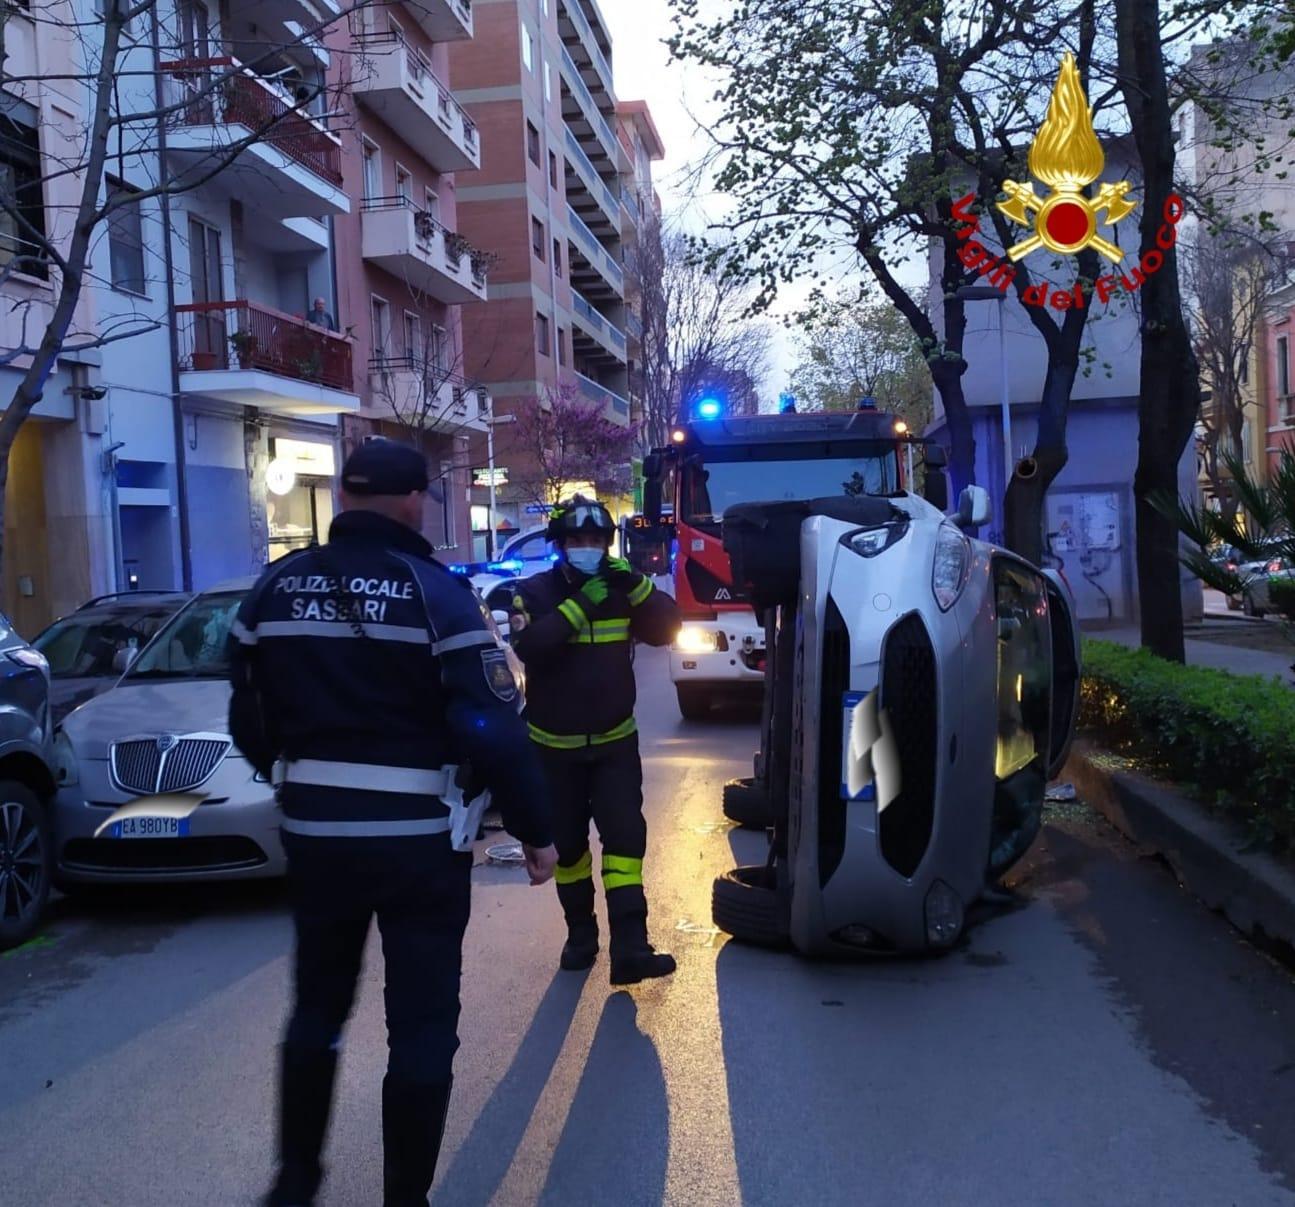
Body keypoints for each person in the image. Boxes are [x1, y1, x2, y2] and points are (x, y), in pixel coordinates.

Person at [227, 438, 557, 1207]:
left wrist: (296, 776)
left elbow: (247, 710)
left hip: (315, 836)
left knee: (316, 1007)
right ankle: (406, 1199)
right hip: (418, 841)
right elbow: (494, 723)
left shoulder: (275, 587)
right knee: (420, 1024)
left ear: (344, 496)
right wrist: (536, 832)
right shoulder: (436, 592)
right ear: (415, 502)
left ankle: (295, 1182)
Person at [507, 495, 681, 985]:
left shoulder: (623, 588)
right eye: (577, 541)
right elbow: (532, 647)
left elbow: (670, 627)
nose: (587, 548)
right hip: (553, 751)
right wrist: (584, 604)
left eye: (595, 541)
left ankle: (631, 948)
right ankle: (581, 937)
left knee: (626, 842)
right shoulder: (534, 592)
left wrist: (638, 585)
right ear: (561, 545)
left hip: (613, 746)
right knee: (569, 850)